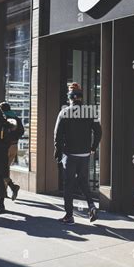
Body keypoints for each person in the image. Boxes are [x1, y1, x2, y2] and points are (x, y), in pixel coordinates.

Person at [54, 83, 102, 225]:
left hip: (70, 154)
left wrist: (57, 151)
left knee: (68, 185)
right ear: (81, 98)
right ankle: (92, 206)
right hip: (85, 154)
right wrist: (93, 147)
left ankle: (69, 216)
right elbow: (99, 132)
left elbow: (57, 134)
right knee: (83, 181)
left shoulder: (64, 112)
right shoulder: (90, 111)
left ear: (70, 98)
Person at [0, 102, 24, 201]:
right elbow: (21, 131)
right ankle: (4, 191)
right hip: (14, 146)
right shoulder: (16, 118)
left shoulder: (5, 119)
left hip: (6, 146)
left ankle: (10, 189)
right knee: (6, 168)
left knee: (2, 169)